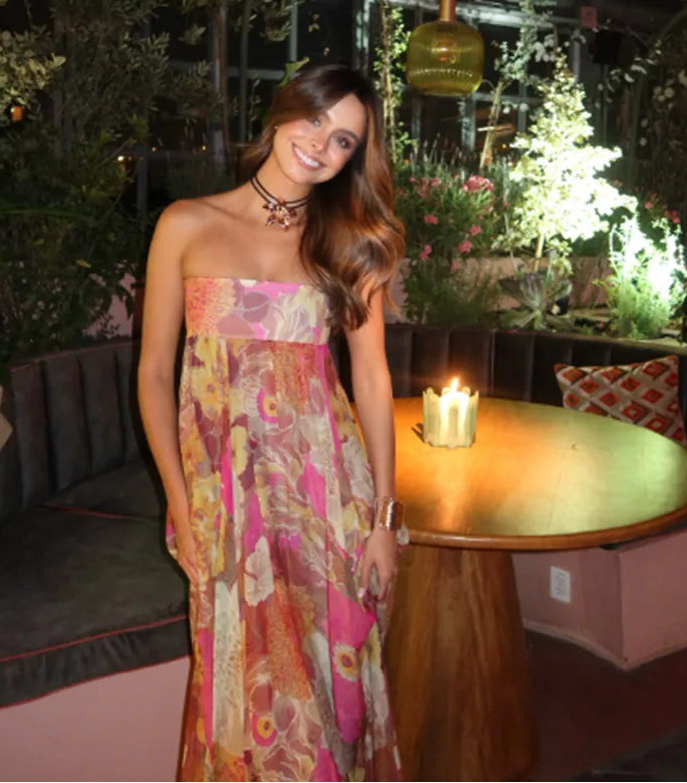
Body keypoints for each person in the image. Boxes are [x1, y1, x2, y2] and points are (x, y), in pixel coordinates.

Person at [137, 62, 408, 782]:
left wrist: (382, 515)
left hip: (328, 498)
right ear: (286, 109)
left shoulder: (351, 238)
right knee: (239, 685)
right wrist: (179, 501)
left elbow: (373, 378)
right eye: (316, 119)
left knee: (338, 687)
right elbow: (154, 374)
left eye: (344, 140)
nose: (322, 144)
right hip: (223, 500)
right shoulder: (186, 223)